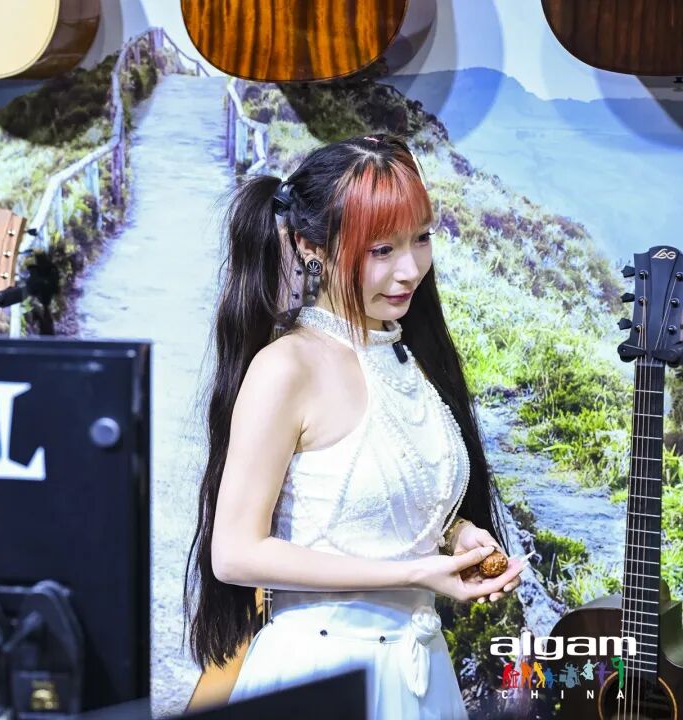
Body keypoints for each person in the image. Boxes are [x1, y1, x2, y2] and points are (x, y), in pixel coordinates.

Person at [183, 134, 529, 719]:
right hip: (321, 675)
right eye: (381, 249)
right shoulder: (287, 367)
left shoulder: (409, 355)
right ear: (310, 246)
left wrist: (454, 536)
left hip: (421, 670)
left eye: (421, 238)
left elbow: (376, 504)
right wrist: (415, 572)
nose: (410, 269)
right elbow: (235, 552)